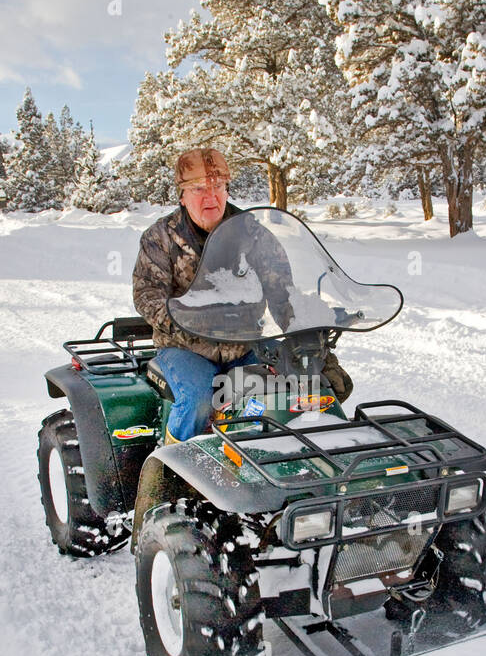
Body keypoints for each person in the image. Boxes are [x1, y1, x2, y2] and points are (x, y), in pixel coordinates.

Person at [132, 148, 352, 441]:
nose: (210, 197)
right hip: (186, 348)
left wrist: (308, 335)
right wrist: (185, 320)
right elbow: (147, 295)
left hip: (246, 345)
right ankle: (169, 472)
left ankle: (275, 460)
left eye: (218, 187)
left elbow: (281, 291)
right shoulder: (159, 237)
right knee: (197, 400)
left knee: (297, 389)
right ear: (182, 195)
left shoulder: (252, 233)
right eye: (199, 189)